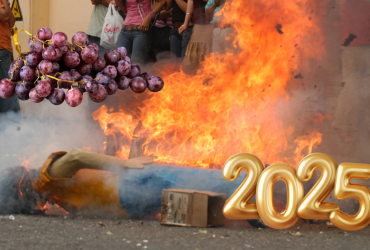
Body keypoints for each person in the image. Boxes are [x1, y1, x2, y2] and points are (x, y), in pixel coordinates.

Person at [0, 148, 245, 219]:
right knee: (203, 181)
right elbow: (76, 156)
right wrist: (124, 163)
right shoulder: (45, 176)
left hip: (131, 207)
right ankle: (261, 183)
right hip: (132, 183)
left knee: (201, 196)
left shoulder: (51, 200)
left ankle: (252, 209)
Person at [114, 0, 167, 65]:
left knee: (136, 64)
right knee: (118, 62)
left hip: (141, 31)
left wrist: (149, 17)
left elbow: (162, 2)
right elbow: (126, 11)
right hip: (124, 31)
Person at [177, 0, 224, 73]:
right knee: (192, 63)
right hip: (198, 26)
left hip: (213, 25)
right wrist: (185, 24)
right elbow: (191, 2)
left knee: (210, 59)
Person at [0, 0, 20, 115]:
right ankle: (10, 127)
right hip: (2, 50)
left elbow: (11, 21)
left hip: (4, 49)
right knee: (8, 90)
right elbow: (5, 16)